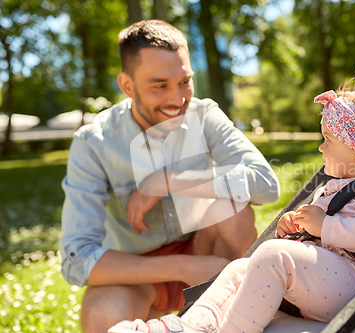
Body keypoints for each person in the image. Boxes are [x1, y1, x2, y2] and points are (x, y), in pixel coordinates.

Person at [107, 82, 355, 333]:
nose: (321, 147)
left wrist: (325, 227)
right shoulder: (335, 186)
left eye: (328, 140)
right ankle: (188, 326)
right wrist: (296, 229)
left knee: (271, 256)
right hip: (324, 285)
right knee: (242, 267)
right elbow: (317, 235)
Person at [58, 19, 280, 333]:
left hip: (207, 251)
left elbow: (266, 185)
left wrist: (169, 180)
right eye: (160, 85)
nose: (178, 99)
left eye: (185, 82)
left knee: (234, 211)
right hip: (137, 273)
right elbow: (77, 258)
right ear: (127, 86)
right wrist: (185, 266)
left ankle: (226, 319)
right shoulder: (93, 143)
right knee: (102, 316)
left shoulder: (205, 115)